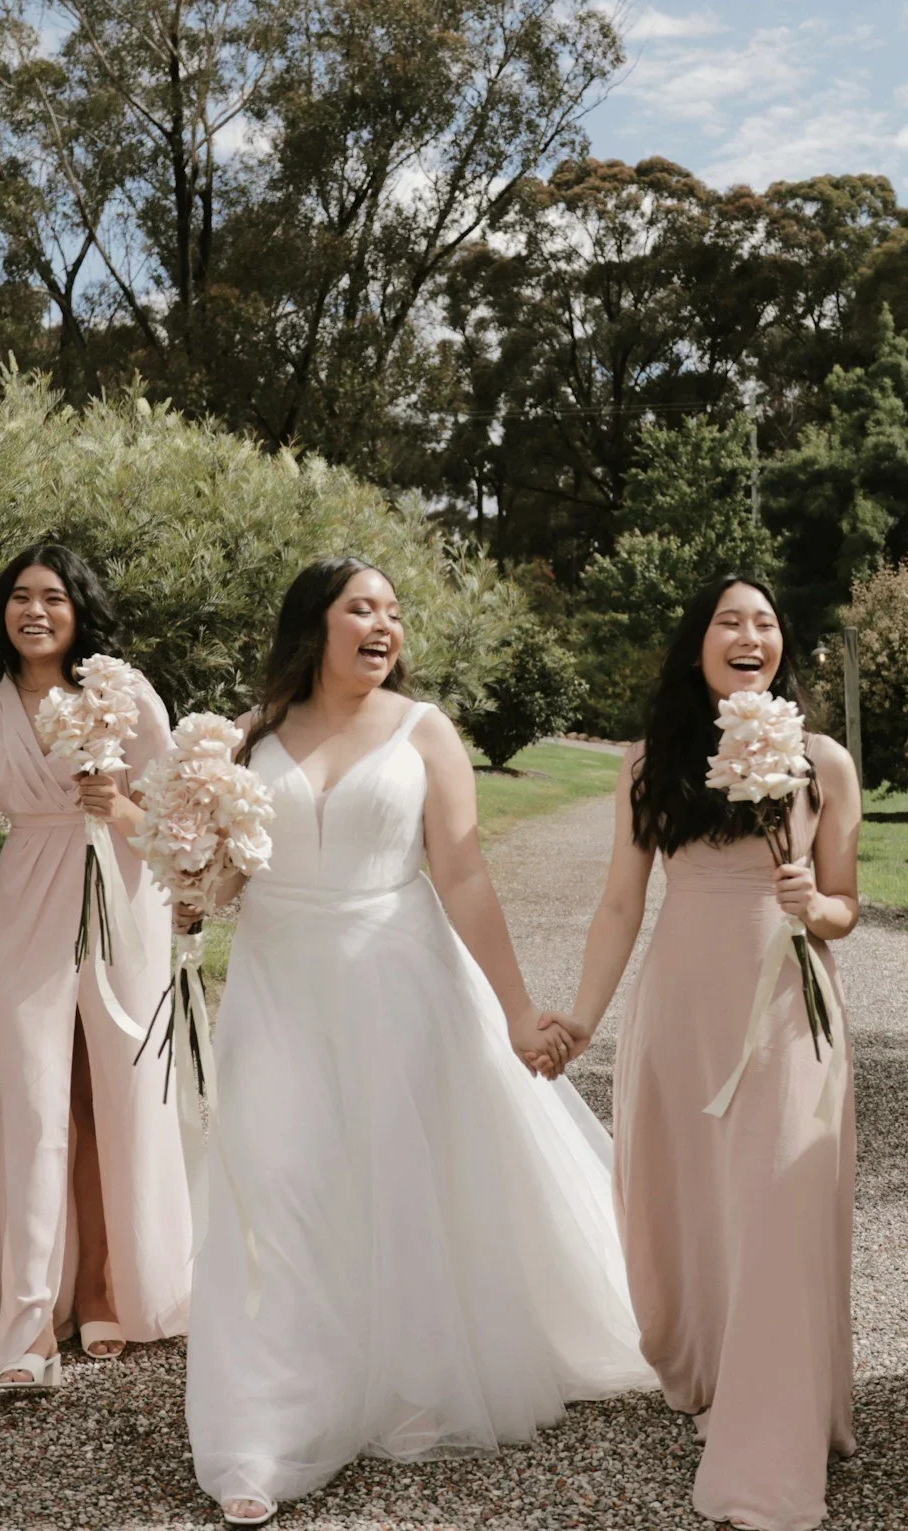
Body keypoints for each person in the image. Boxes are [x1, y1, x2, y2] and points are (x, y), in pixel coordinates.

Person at [181, 557, 654, 1527]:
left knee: (391, 1178)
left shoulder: (423, 730)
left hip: (398, 978)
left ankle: (404, 1381)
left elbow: (466, 873)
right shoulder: (247, 735)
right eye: (363, 606)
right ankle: (263, 1424)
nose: (384, 624)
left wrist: (521, 1011)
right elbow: (219, 887)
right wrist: (185, 873)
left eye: (394, 612)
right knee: (275, 1182)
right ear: (315, 623)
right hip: (278, 986)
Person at [556, 575, 862, 1531]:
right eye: (729, 620)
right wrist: (582, 1019)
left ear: (783, 648)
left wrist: (818, 907)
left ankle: (771, 1437)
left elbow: (848, 906)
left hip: (788, 1007)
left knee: (779, 1198)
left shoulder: (825, 762)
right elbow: (620, 902)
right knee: (695, 1208)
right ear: (698, 644)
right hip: (684, 1009)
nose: (748, 634)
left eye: (766, 621)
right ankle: (721, 1375)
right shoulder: (652, 764)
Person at [0, 544, 190, 1391]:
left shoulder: (123, 694)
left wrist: (116, 803)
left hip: (124, 900)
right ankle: (27, 1322)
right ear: (1, 612)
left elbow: (172, 823)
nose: (34, 611)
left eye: (52, 597)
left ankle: (107, 1289)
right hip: (29, 899)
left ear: (78, 609)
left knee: (119, 1094)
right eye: (19, 597)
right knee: (35, 1101)